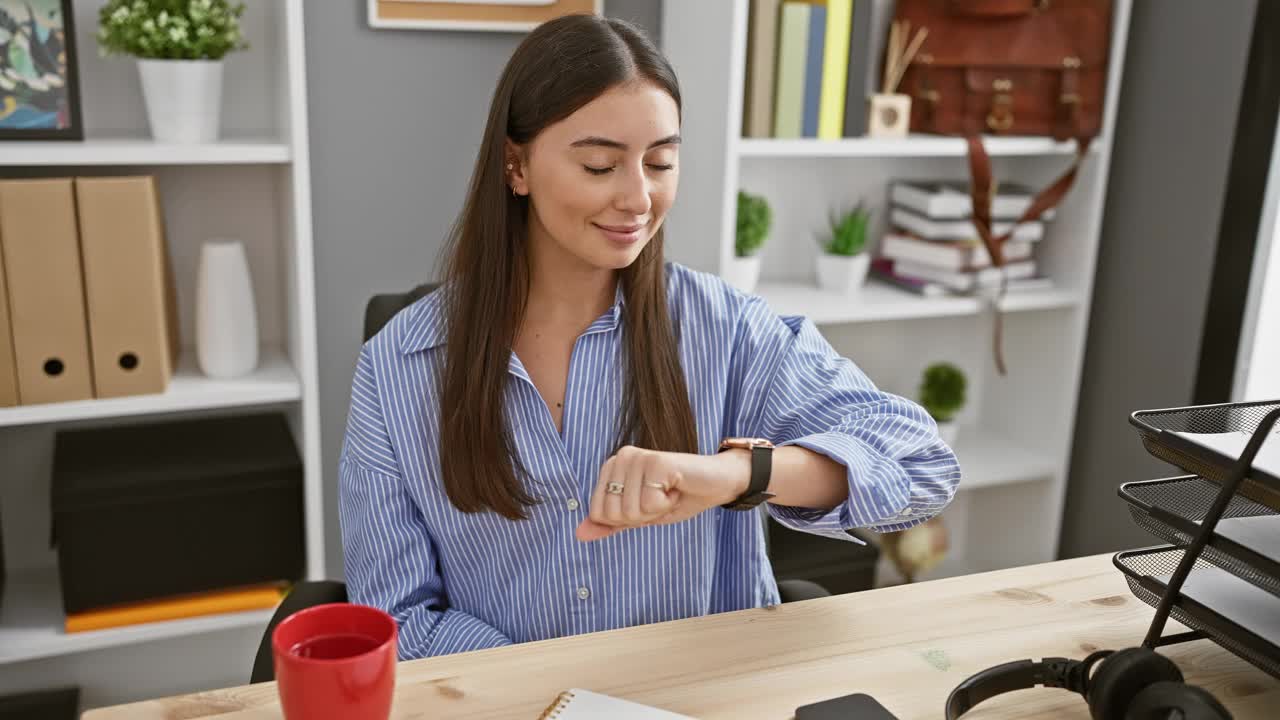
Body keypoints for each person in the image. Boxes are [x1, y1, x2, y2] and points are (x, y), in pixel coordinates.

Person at [338, 14, 960, 661]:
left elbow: (922, 467)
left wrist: (735, 474)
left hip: (702, 700)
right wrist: (545, 689)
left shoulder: (726, 329)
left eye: (660, 161)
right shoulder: (399, 367)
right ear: (515, 165)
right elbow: (396, 617)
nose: (639, 197)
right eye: (601, 165)